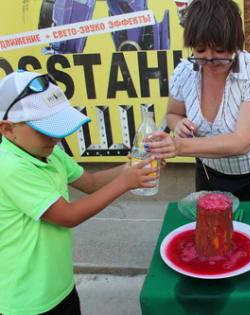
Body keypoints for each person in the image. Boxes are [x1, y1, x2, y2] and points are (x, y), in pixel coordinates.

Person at [0, 70, 159, 314]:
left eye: (59, 125)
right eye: (44, 128)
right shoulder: (10, 166)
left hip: (59, 285)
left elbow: (91, 182)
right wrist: (125, 182)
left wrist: (132, 168)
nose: (56, 136)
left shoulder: (50, 153)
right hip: (26, 299)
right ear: (8, 129)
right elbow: (67, 216)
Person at [147, 0, 250, 201]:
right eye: (200, 51)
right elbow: (173, 114)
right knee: (214, 227)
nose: (210, 60)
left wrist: (178, 146)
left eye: (220, 51)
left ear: (236, 43)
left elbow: (241, 143)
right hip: (210, 172)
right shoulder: (184, 73)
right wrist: (178, 126)